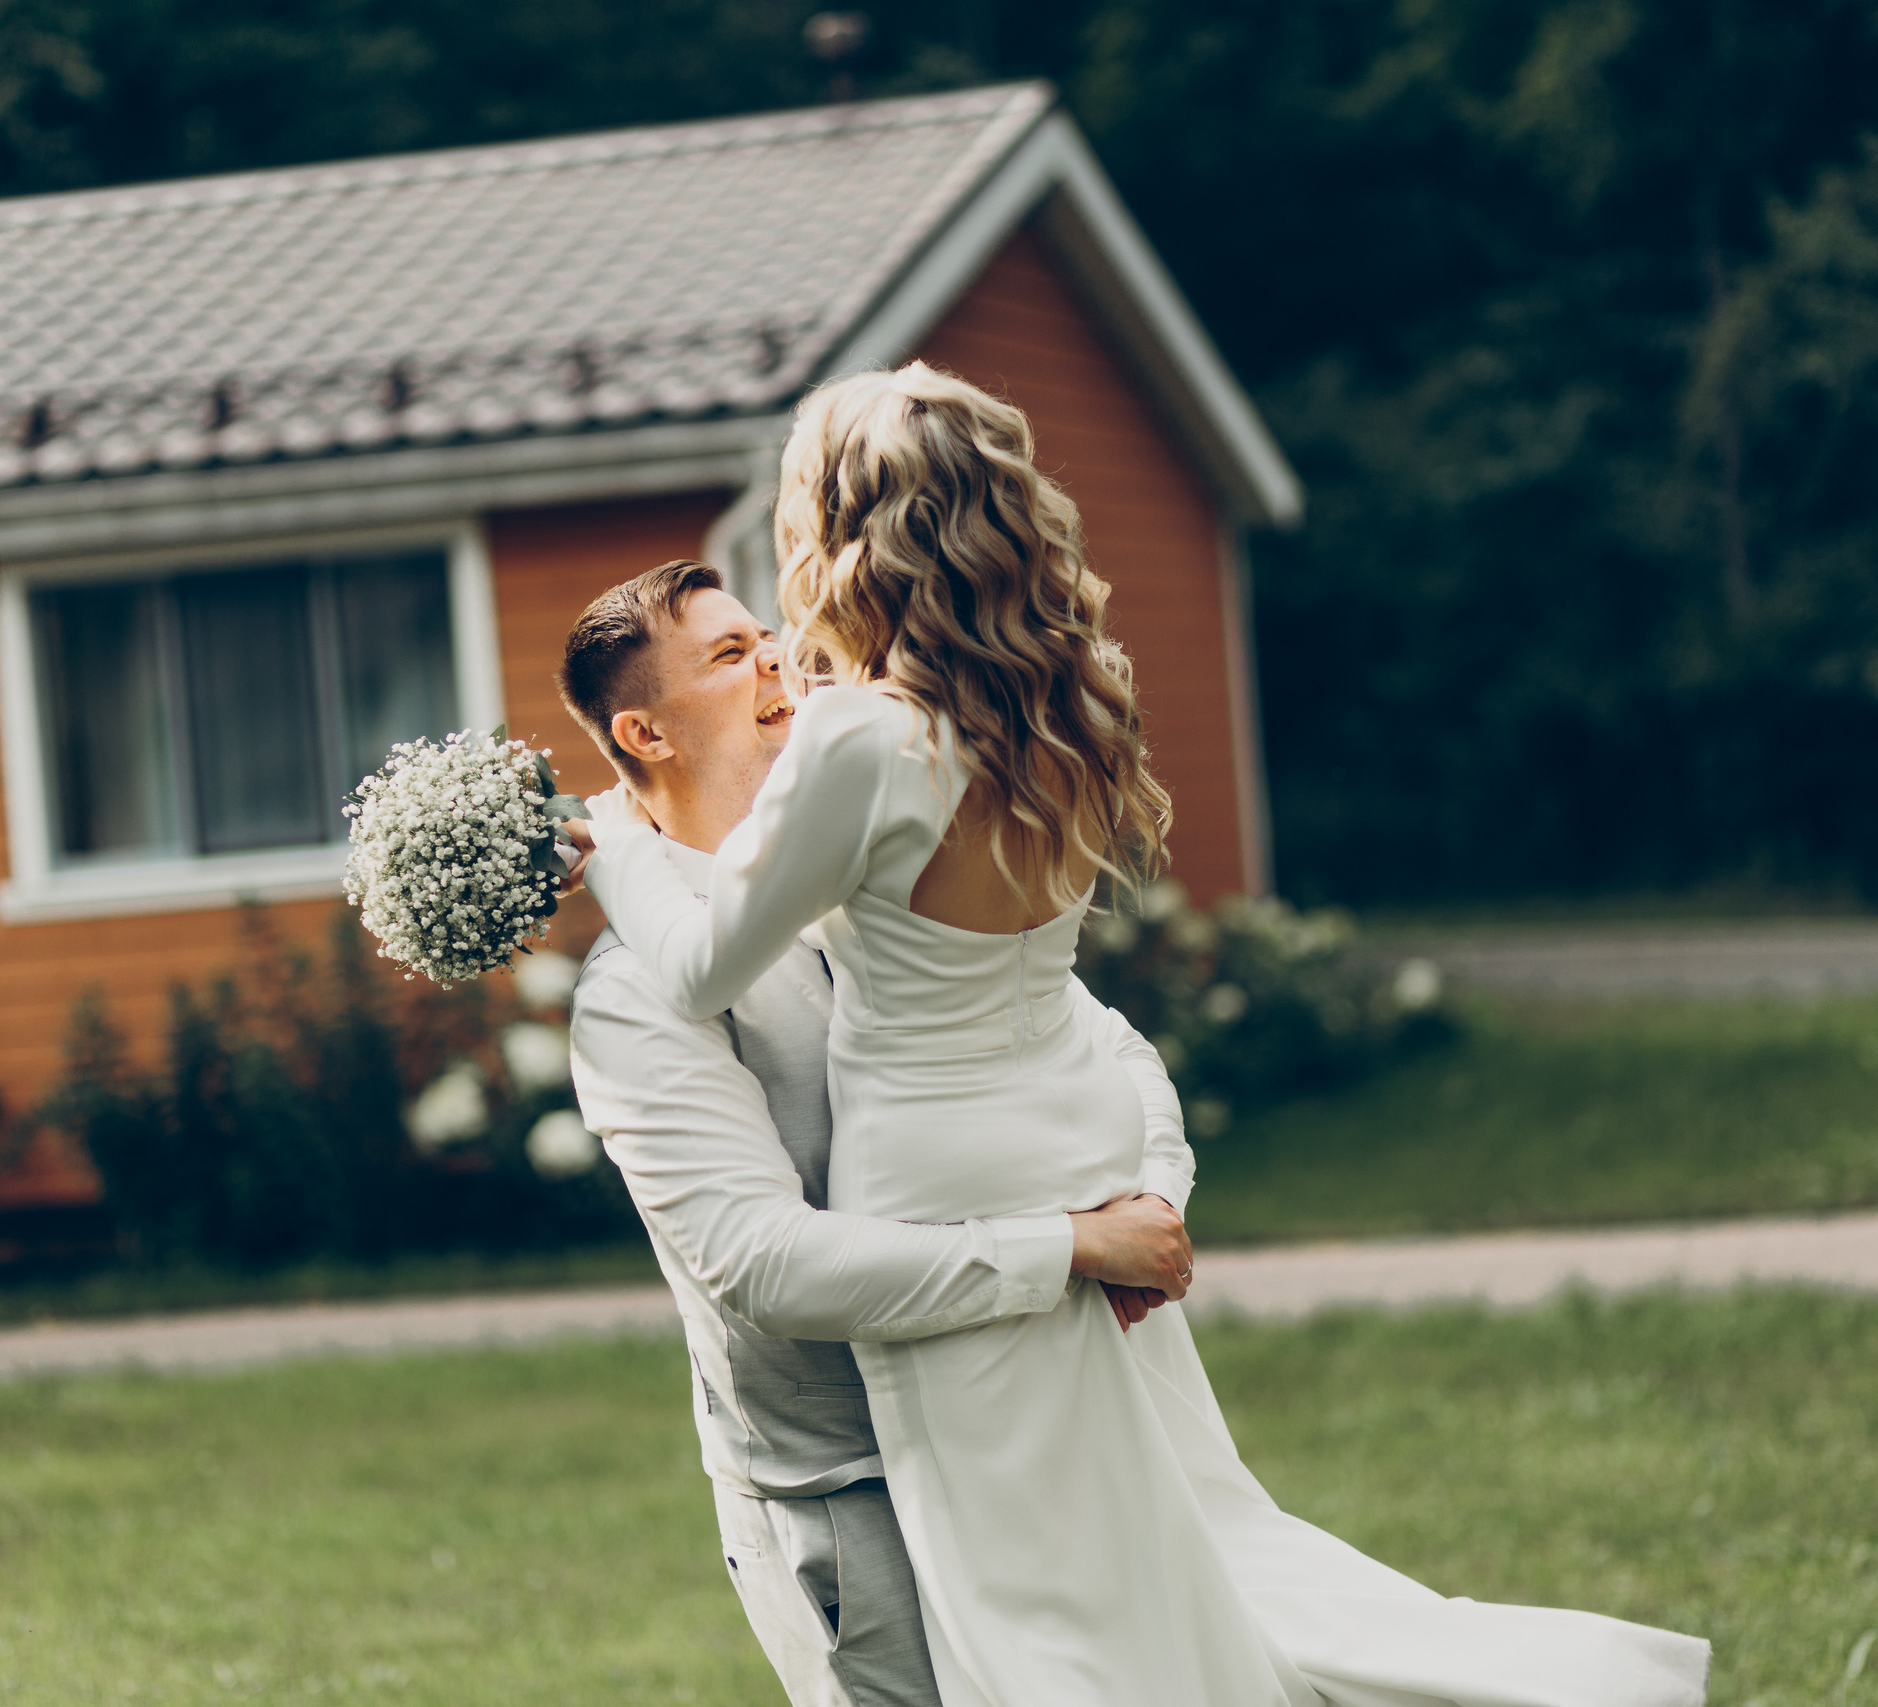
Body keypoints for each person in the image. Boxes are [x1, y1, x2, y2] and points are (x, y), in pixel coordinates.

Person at [569, 363, 1711, 1706]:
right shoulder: (1049, 709)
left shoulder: (855, 747)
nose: (773, 648)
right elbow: (1062, 1015)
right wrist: (1133, 1203)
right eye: (733, 653)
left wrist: (609, 838)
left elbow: (703, 955)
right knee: (1195, 1565)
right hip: (1069, 1156)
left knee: (1064, 1634)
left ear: (845, 532)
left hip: (947, 1180)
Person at [558, 558, 1197, 1707]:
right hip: (855, 1503)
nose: (781, 662)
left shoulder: (879, 879)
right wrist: (1071, 1248)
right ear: (643, 734)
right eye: (729, 654)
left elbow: (1103, 1049)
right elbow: (765, 1265)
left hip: (1038, 1431)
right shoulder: (637, 998)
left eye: (771, 635)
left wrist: (1150, 1202)